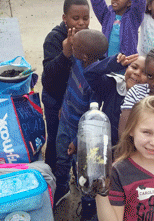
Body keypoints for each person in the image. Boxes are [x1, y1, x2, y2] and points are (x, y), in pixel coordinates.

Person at [53, 29, 108, 220]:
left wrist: (77, 141)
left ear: (84, 55)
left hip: (82, 138)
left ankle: (88, 208)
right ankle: (61, 189)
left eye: (74, 46)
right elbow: (68, 86)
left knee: (83, 172)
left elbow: (94, 118)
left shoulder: (96, 81)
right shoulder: (77, 61)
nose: (72, 46)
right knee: (61, 158)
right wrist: (63, 107)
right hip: (64, 122)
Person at [41, 0, 90, 173]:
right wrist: (65, 53)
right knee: (55, 138)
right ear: (64, 18)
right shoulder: (54, 39)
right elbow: (48, 78)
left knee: (77, 140)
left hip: (75, 103)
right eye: (75, 18)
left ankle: (76, 174)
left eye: (85, 18)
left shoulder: (87, 38)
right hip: (54, 99)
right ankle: (52, 175)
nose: (81, 23)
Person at [84, 53, 147, 147]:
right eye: (134, 67)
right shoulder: (113, 85)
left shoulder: (148, 102)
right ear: (126, 69)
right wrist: (114, 63)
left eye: (145, 72)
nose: (137, 73)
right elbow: (89, 73)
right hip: (104, 149)